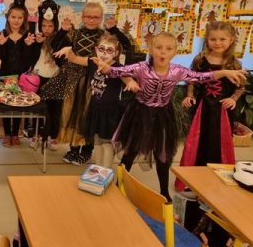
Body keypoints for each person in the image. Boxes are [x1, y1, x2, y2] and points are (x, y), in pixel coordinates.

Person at [94, 31, 247, 200]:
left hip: (163, 115)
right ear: (151, 49)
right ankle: (119, 184)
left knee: (163, 154)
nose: (163, 52)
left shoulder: (177, 71)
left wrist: (225, 72)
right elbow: (117, 71)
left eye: (168, 49)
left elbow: (202, 77)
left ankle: (164, 191)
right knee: (131, 150)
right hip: (140, 113)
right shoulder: (141, 68)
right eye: (159, 48)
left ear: (174, 52)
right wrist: (105, 66)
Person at [40, 2, 130, 164]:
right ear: (82, 17)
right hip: (74, 80)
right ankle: (74, 149)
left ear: (101, 18)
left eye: (95, 17)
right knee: (72, 114)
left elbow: (127, 45)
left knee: (88, 115)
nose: (91, 20)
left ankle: (87, 150)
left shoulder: (104, 36)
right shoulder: (74, 33)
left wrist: (114, 29)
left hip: (95, 81)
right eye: (88, 16)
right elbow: (54, 45)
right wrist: (63, 31)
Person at [176, 21, 244, 191]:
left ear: (231, 40)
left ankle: (218, 179)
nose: (217, 43)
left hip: (222, 110)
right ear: (207, 39)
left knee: (218, 143)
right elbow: (192, 79)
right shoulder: (200, 59)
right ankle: (192, 180)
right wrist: (190, 95)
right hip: (202, 107)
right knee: (198, 141)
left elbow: (240, 86)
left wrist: (233, 99)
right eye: (213, 39)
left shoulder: (234, 63)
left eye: (222, 39)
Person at [54, 34, 128, 168]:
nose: (104, 54)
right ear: (96, 49)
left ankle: (106, 170)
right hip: (94, 109)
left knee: (107, 144)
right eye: (102, 49)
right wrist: (68, 50)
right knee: (97, 143)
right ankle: (98, 169)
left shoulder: (118, 68)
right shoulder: (93, 62)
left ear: (116, 53)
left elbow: (128, 79)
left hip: (109, 112)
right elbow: (74, 58)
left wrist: (132, 83)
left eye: (109, 50)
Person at [0, 4, 36, 147]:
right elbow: (2, 58)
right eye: (13, 17)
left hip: (21, 77)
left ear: (24, 19)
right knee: (6, 105)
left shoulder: (27, 35)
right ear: (8, 17)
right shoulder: (3, 33)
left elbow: (28, 59)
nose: (16, 20)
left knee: (19, 104)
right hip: (6, 75)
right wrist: (1, 45)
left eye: (20, 18)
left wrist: (28, 46)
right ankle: (7, 134)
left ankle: (15, 134)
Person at [29, 1, 60, 148]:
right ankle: (37, 134)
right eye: (44, 26)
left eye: (50, 26)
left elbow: (62, 59)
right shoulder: (36, 38)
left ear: (56, 26)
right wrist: (37, 44)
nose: (47, 29)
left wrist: (50, 43)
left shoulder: (60, 40)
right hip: (38, 78)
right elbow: (30, 58)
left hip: (55, 78)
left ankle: (53, 135)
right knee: (38, 108)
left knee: (54, 109)